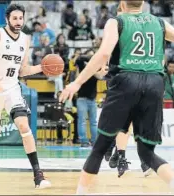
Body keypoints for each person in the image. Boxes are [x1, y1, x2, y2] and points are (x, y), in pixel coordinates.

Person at [59, 1, 174, 194]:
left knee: (100, 147)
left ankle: (81, 192)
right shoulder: (160, 23)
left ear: (121, 3)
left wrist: (77, 82)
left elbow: (103, 53)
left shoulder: (116, 22)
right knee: (146, 153)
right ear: (144, 3)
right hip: (155, 84)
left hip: (126, 81)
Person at [0, 4, 51, 189]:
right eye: (15, 18)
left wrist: (43, 68)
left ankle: (38, 175)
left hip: (12, 88)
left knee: (24, 126)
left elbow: (22, 70)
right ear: (7, 19)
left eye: (21, 18)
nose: (18, 22)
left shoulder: (25, 39)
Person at [104, 5, 152, 178]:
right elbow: (104, 56)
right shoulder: (114, 28)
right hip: (117, 80)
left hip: (138, 78)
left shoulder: (137, 30)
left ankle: (120, 152)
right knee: (123, 121)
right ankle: (119, 152)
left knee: (133, 121)